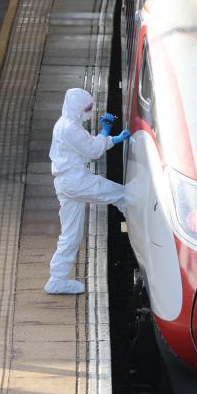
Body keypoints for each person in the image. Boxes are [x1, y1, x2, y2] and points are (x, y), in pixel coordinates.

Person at [46, 88, 130, 295]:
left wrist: (112, 139)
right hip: (76, 182)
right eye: (88, 108)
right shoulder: (70, 129)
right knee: (123, 195)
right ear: (77, 108)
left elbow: (88, 146)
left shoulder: (65, 124)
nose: (90, 111)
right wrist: (106, 133)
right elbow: (93, 151)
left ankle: (57, 279)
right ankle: (142, 226)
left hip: (66, 182)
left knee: (71, 234)